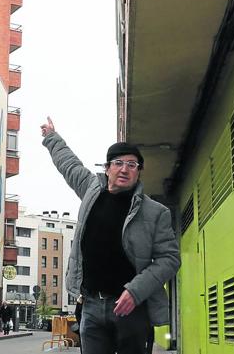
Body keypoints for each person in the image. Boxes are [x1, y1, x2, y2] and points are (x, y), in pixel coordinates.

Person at [40, 117, 180, 354]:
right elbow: (69, 165)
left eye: (132, 164)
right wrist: (52, 138)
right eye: (118, 163)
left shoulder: (156, 212)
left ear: (139, 172)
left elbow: (169, 260)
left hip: (132, 308)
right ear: (107, 168)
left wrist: (135, 292)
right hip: (91, 305)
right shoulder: (91, 191)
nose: (124, 169)